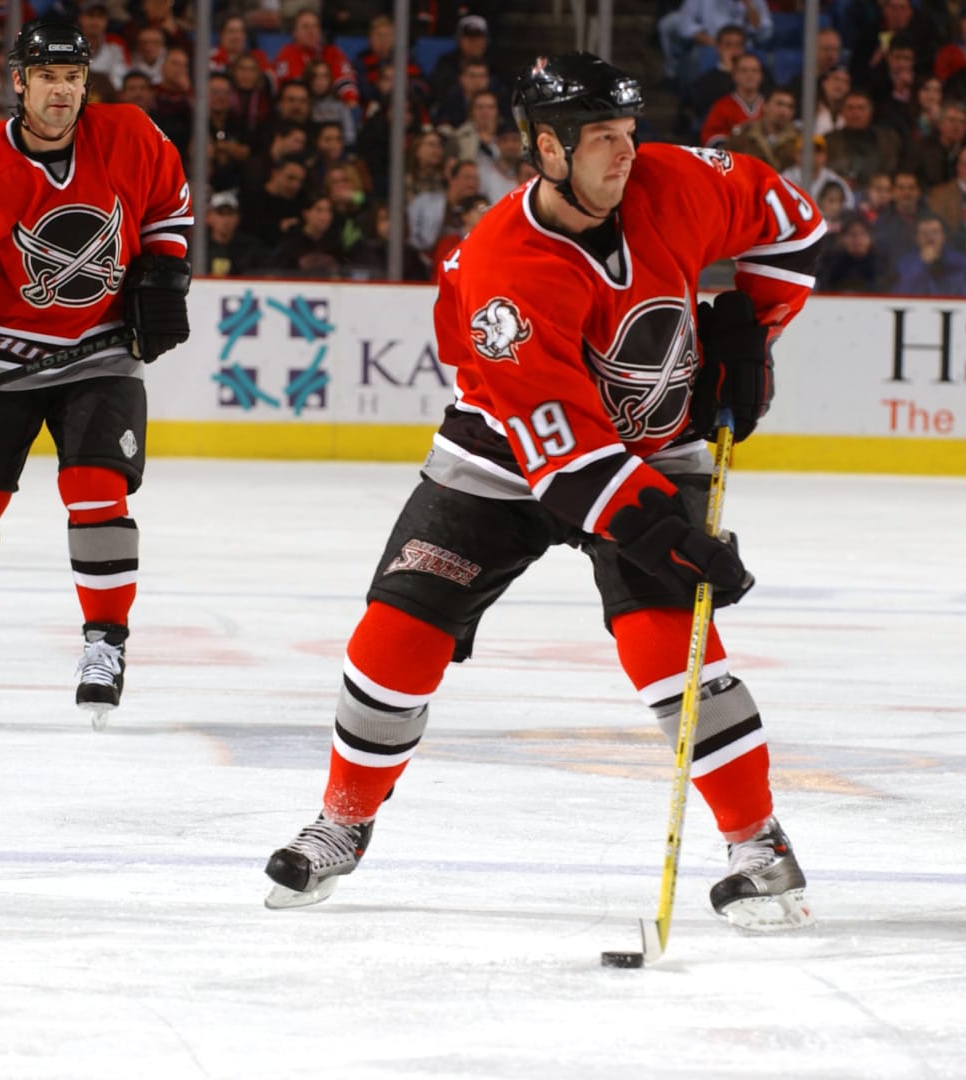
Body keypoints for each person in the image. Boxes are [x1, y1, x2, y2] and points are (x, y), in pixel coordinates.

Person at [262, 53, 822, 934]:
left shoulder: (676, 181)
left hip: (653, 441)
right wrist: (670, 540)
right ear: (548, 149)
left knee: (670, 650)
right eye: (602, 137)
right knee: (397, 633)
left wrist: (753, 329)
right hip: (505, 454)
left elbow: (794, 226)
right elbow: (570, 466)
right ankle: (343, 820)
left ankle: (760, 845)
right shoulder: (504, 266)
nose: (626, 152)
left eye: (628, 131)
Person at [0, 19, 194, 727]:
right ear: (19, 82)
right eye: (48, 77)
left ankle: (105, 644)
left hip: (99, 352)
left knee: (97, 493)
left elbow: (168, 205)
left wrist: (163, 273)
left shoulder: (132, 135)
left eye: (74, 78)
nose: (62, 92)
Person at [893, 215, 966, 296]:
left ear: (943, 237)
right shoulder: (905, 263)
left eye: (935, 232)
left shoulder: (961, 262)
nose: (930, 238)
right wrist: (921, 263)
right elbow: (900, 294)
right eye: (924, 233)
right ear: (917, 238)